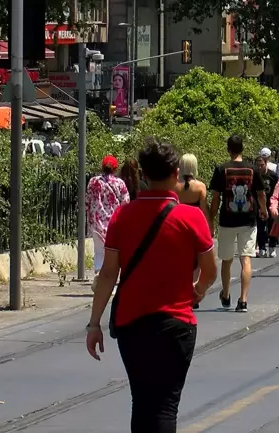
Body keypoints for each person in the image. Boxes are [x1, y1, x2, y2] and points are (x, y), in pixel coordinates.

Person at [86, 138, 217, 432]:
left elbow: (108, 275)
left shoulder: (122, 216)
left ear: (142, 175)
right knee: (165, 406)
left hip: (134, 325)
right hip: (177, 324)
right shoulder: (192, 217)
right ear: (175, 174)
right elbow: (210, 271)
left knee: (142, 402)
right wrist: (196, 293)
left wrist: (94, 324)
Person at [209, 135, 268, 313]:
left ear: (229, 149)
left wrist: (211, 217)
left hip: (227, 220)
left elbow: (216, 197)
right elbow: (260, 194)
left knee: (226, 260)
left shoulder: (221, 169)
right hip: (248, 220)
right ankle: (243, 300)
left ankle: (226, 294)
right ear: (242, 149)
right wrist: (263, 210)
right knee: (246, 258)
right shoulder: (252, 169)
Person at [86, 155, 130, 292]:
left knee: (99, 251)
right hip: (113, 223)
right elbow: (126, 203)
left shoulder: (93, 181)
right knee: (113, 253)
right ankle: (110, 281)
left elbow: (87, 201)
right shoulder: (119, 183)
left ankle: (99, 274)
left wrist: (90, 218)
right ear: (115, 168)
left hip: (97, 223)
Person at [174, 154, 209, 223]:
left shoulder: (173, 184)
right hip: (194, 223)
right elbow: (204, 210)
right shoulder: (200, 186)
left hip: (177, 222)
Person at [256, 156, 279, 257]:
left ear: (266, 164)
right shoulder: (255, 176)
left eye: (262, 165)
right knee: (261, 227)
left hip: (271, 204)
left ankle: (272, 247)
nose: (260, 167)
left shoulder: (273, 175)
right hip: (260, 205)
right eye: (258, 165)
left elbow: (277, 190)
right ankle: (261, 248)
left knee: (272, 226)